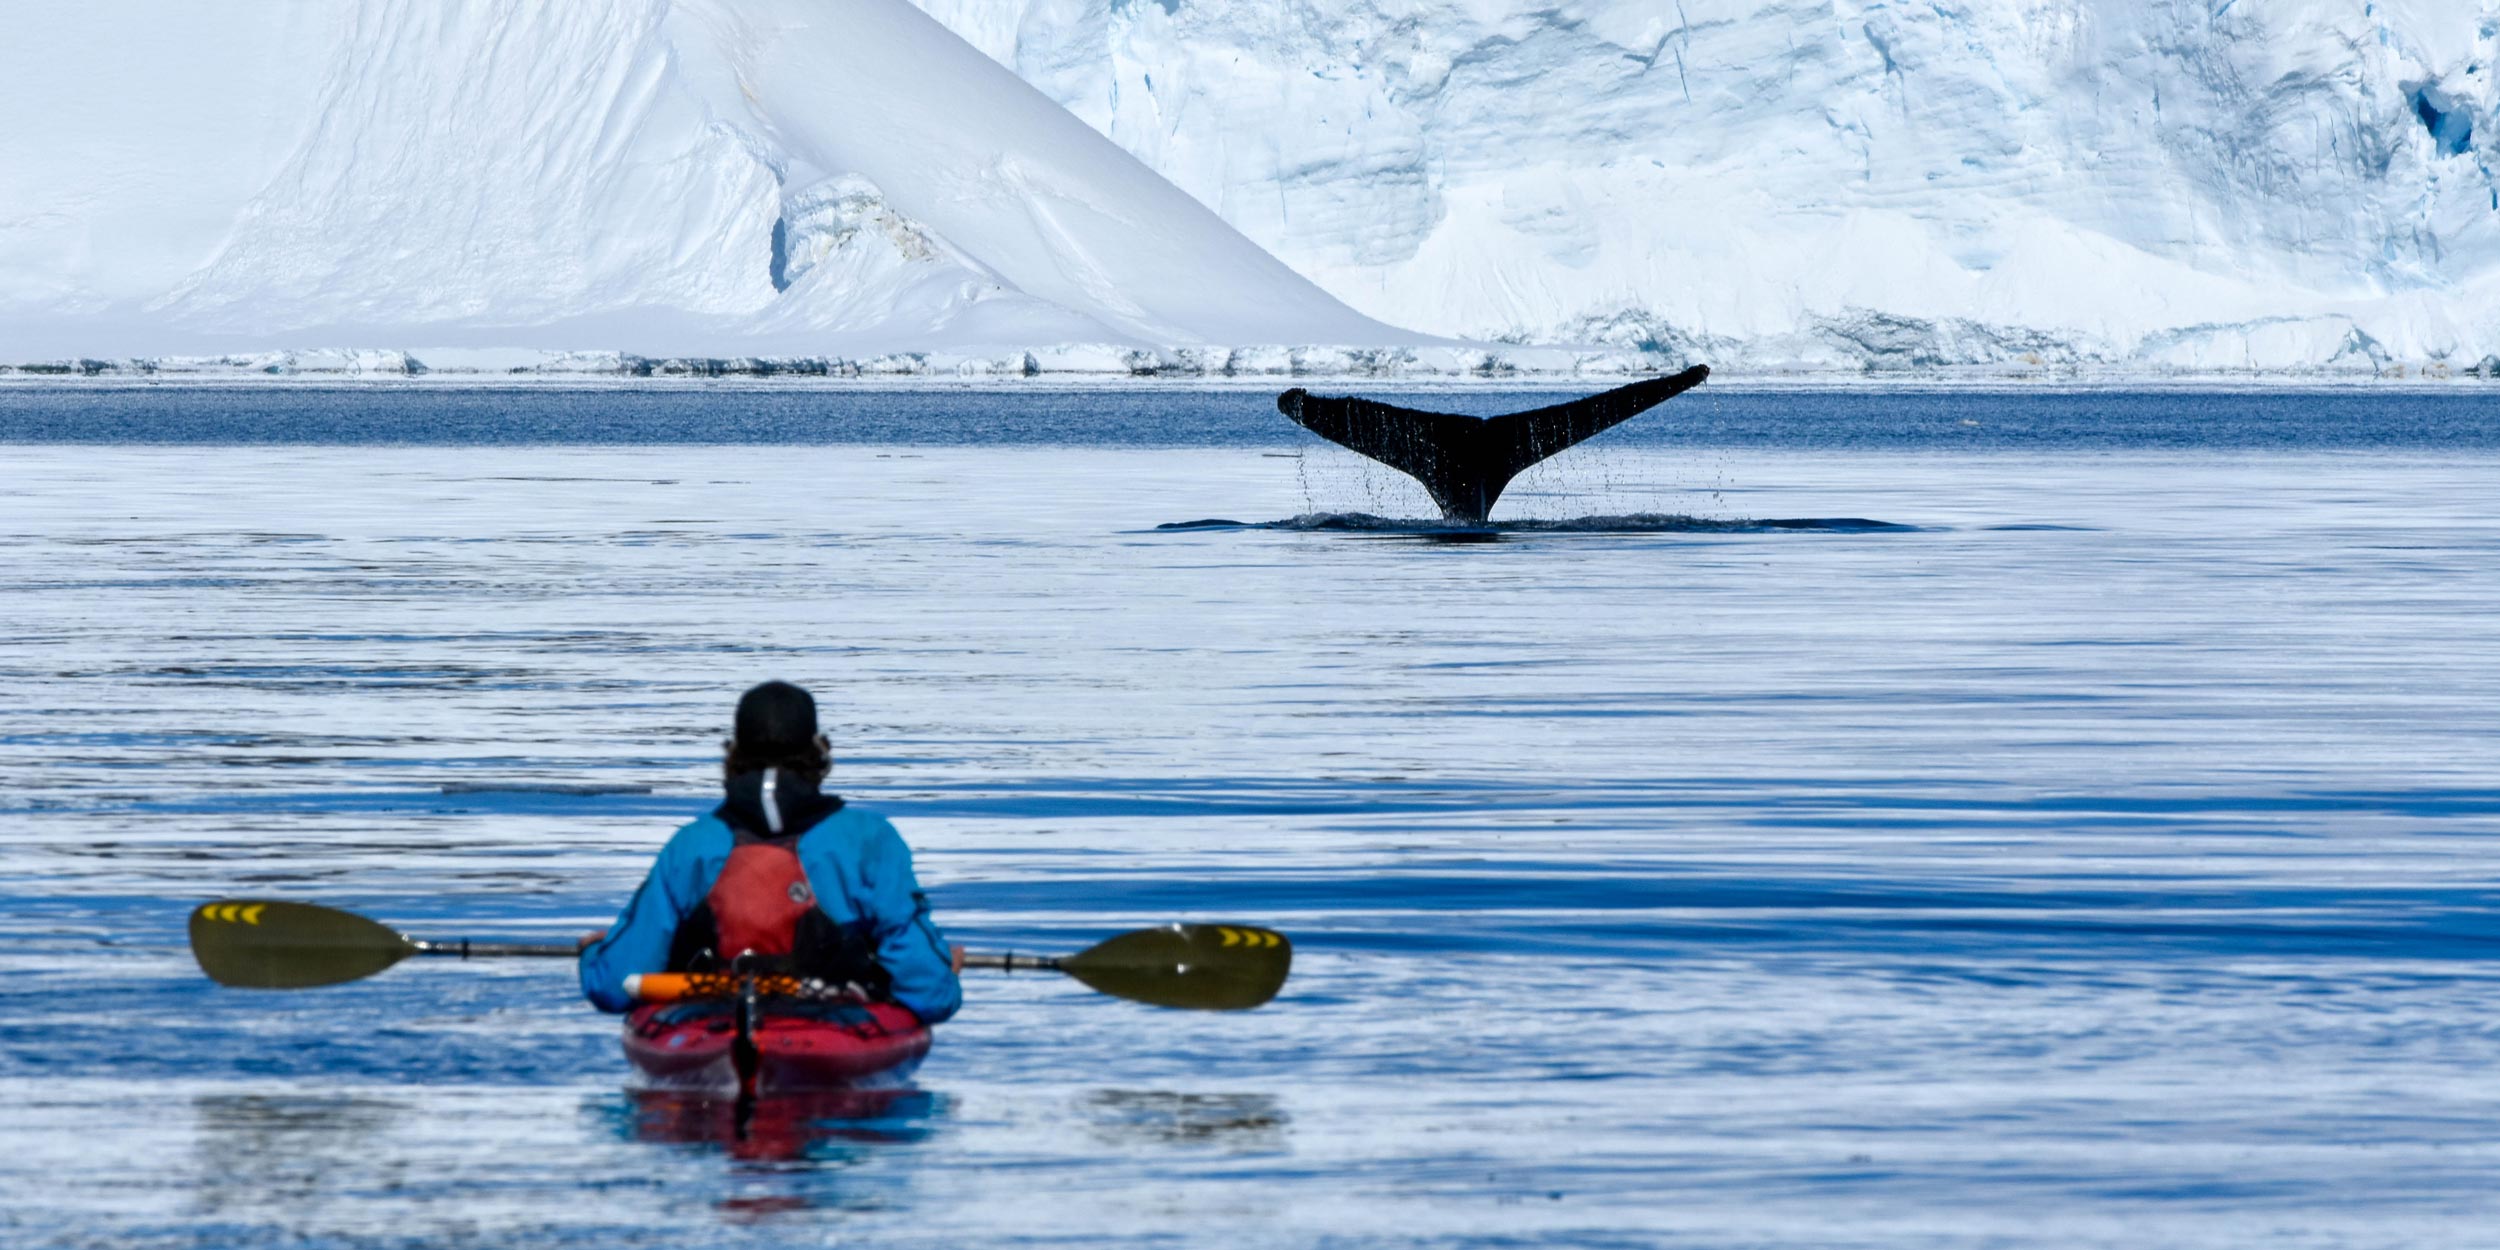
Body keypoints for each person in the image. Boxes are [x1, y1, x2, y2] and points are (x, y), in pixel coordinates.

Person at [577, 680, 962, 1025]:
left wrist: (596, 951)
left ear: (733, 754)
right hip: (834, 1023)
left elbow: (613, 986)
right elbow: (930, 996)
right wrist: (943, 972)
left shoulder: (692, 845)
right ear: (820, 753)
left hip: (711, 1021)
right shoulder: (869, 839)